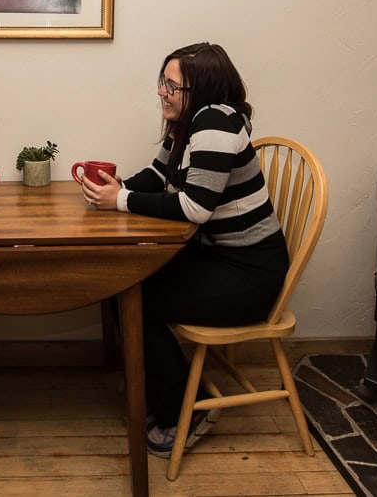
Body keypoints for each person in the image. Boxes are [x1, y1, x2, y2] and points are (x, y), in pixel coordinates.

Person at [79, 42, 289, 458]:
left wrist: (119, 202)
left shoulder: (216, 124)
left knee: (137, 299)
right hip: (217, 256)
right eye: (163, 82)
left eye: (171, 86)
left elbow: (195, 208)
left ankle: (183, 414)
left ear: (202, 90)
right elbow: (159, 174)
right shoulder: (189, 122)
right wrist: (118, 187)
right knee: (123, 280)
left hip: (250, 273)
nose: (162, 92)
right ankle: (157, 388)